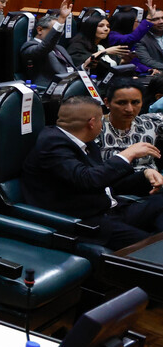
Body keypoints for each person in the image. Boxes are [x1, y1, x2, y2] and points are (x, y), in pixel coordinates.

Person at [21, 96, 163, 249]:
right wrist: (127, 154)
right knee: (153, 247)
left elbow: (106, 180)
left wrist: (145, 175)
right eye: (101, 120)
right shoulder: (51, 145)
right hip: (86, 221)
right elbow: (88, 179)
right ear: (92, 123)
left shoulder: (84, 141)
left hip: (110, 208)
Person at [101, 78, 163, 176]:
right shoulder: (95, 127)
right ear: (107, 102)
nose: (129, 109)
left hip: (152, 185)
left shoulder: (152, 123)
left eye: (135, 102)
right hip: (111, 185)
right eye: (121, 103)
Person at [68, 7, 155, 75]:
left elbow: (112, 65)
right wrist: (105, 52)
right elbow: (89, 64)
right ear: (91, 28)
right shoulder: (77, 46)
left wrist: (124, 61)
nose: (106, 29)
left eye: (108, 26)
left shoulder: (102, 45)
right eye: (101, 26)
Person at [20, 0, 84, 87]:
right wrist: (61, 19)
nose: (60, 34)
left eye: (61, 31)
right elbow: (45, 47)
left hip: (69, 85)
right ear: (40, 30)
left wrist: (84, 66)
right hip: (49, 89)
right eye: (57, 30)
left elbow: (69, 70)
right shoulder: (29, 47)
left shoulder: (60, 48)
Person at [132, 7, 163, 75]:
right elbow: (146, 60)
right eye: (156, 19)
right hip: (157, 74)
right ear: (147, 22)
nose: (161, 22)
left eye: (162, 18)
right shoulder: (140, 38)